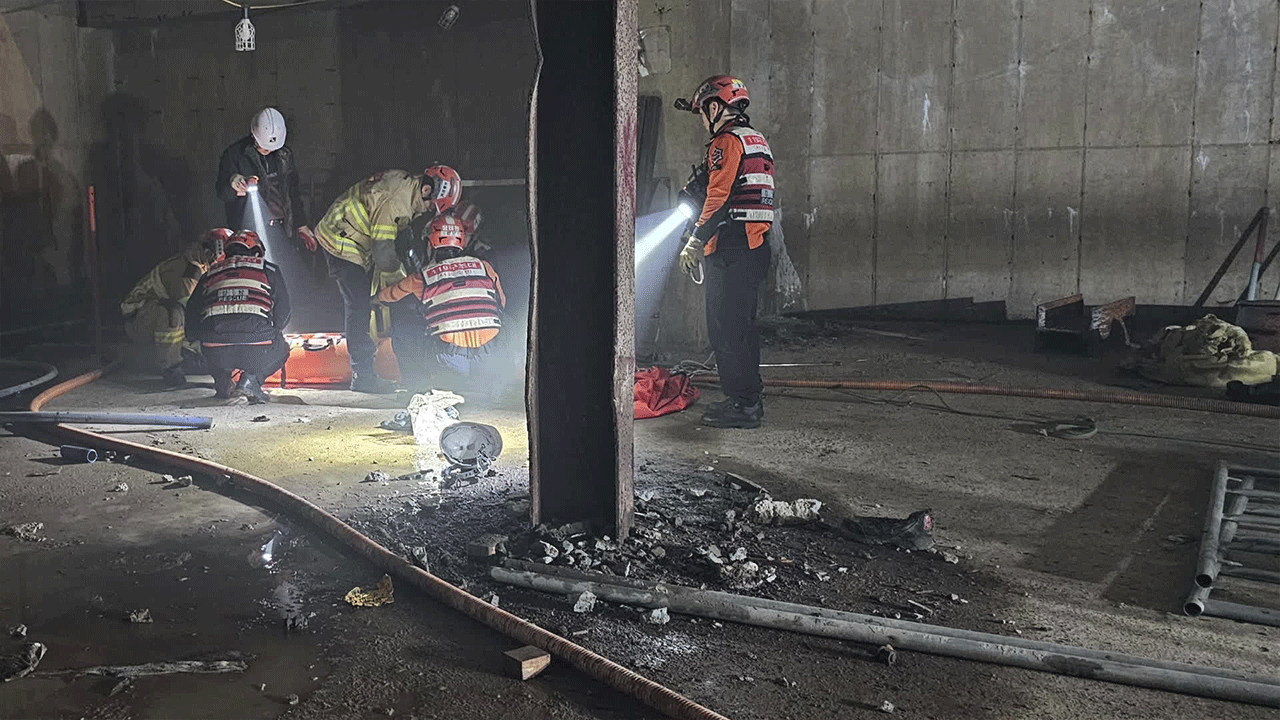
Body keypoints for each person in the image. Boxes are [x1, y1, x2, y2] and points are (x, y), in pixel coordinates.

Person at [674, 75, 775, 429]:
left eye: (703, 111)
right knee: (743, 328)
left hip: (732, 247)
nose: (703, 119)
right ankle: (748, 400)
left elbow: (719, 199)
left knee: (725, 330)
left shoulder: (725, 142)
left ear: (716, 107)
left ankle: (744, 406)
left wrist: (694, 240)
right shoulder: (756, 140)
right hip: (756, 247)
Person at [314, 166, 462, 392]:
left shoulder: (405, 187)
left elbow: (396, 237)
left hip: (352, 236)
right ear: (425, 189)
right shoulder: (396, 201)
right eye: (430, 205)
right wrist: (401, 289)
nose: (426, 211)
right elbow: (384, 252)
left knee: (367, 299)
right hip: (339, 240)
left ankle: (365, 369)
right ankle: (362, 375)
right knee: (359, 304)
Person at [375, 213, 505, 392]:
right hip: (490, 359)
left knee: (404, 329)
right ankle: (494, 382)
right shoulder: (484, 267)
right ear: (462, 242)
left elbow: (388, 296)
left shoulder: (424, 276)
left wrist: (373, 298)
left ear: (430, 243)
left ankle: (416, 390)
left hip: (451, 360)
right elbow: (501, 303)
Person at [185, 231, 291, 404]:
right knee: (282, 348)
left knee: (207, 339)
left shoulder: (210, 273)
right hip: (256, 350)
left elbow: (192, 309)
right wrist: (274, 331)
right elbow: (284, 311)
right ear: (257, 252)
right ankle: (251, 381)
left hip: (215, 352)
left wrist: (195, 338)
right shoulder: (268, 269)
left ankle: (222, 381)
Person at [120, 229, 227, 386]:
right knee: (173, 312)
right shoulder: (188, 270)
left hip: (150, 315)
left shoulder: (199, 266)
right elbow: (188, 308)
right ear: (209, 251)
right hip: (138, 320)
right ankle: (170, 368)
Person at [215, 107, 315, 252]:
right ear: (254, 135)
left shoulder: (284, 156)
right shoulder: (235, 155)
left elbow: (293, 192)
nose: (268, 150)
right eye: (264, 146)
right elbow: (221, 192)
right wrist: (232, 184)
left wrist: (301, 225)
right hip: (249, 235)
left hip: (283, 230)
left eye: (272, 147)